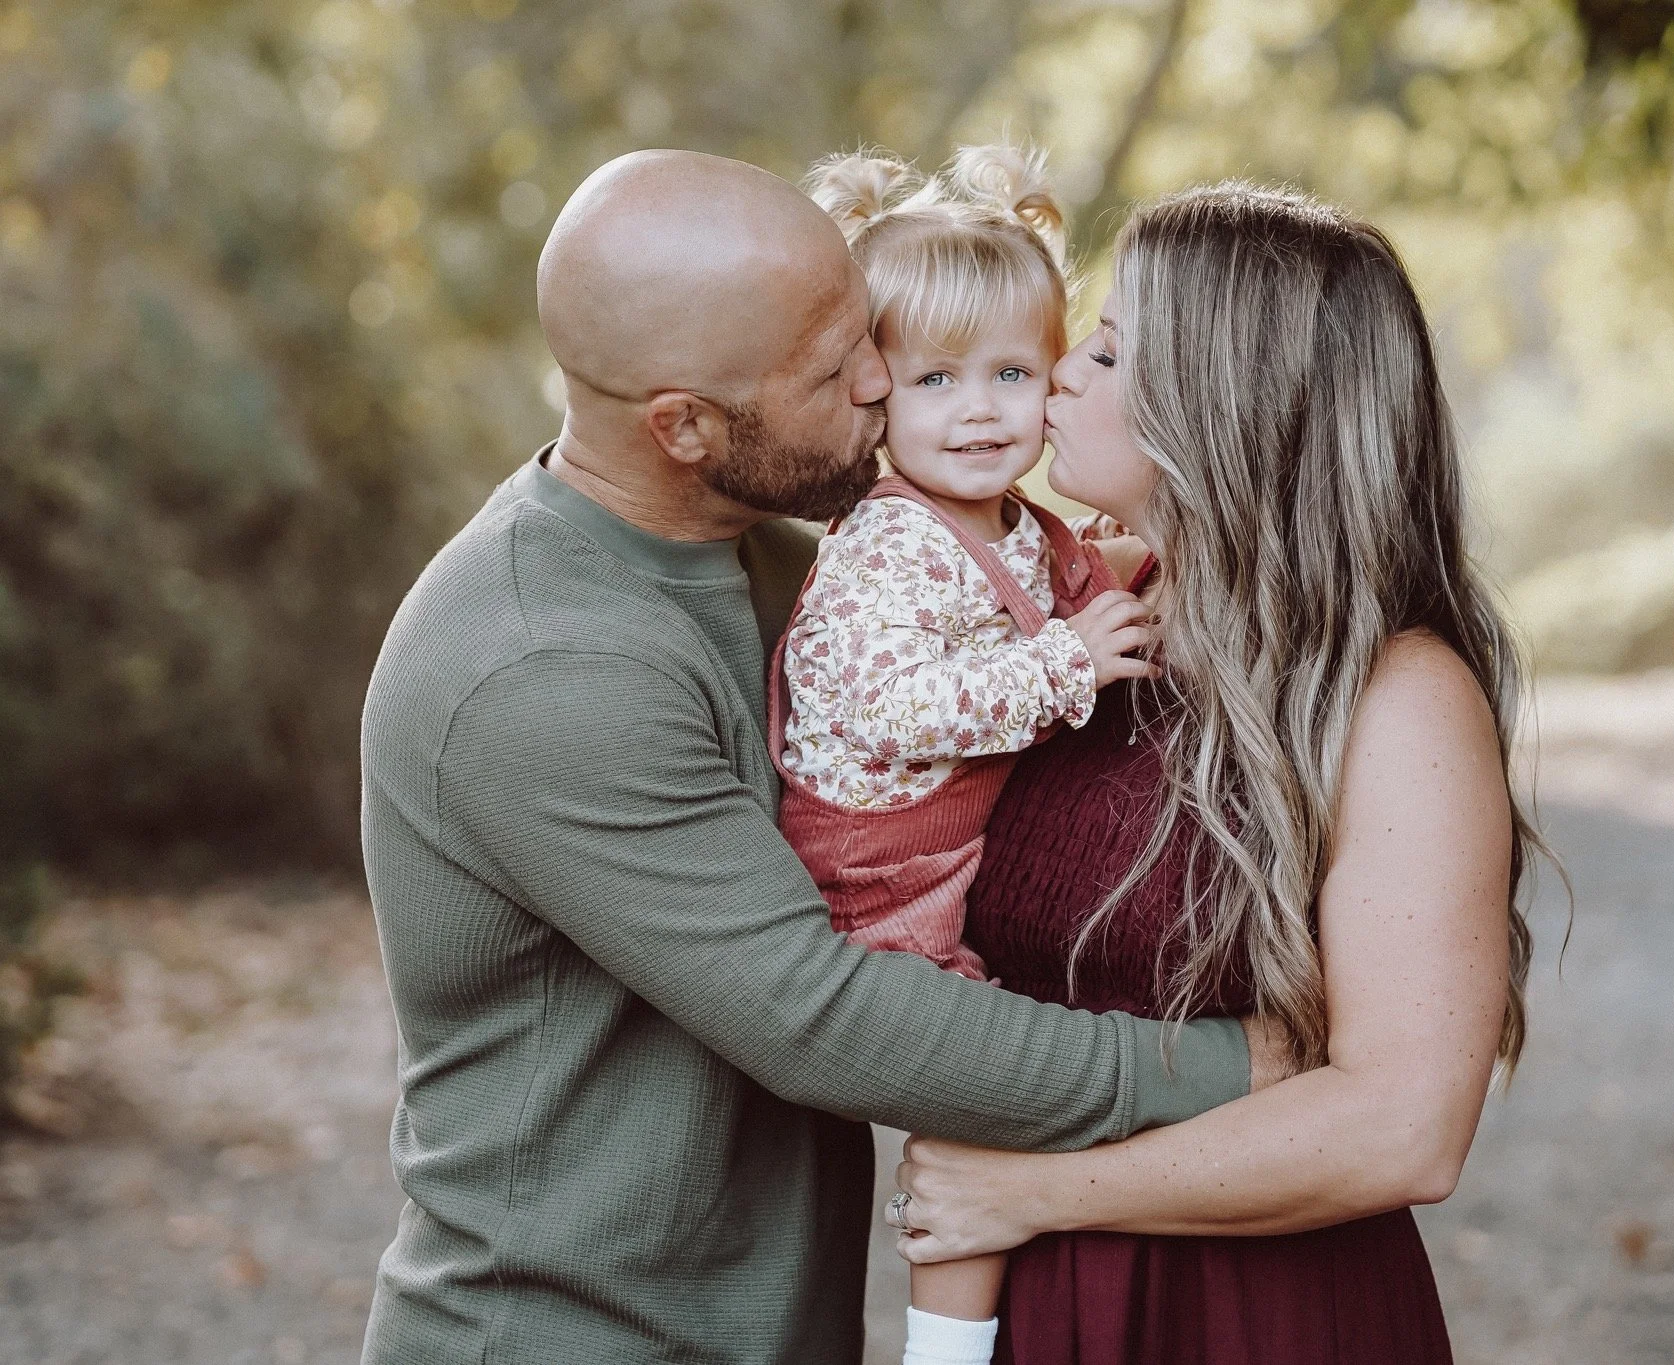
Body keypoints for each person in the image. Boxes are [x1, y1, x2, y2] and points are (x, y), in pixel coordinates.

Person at [356, 151, 1283, 1365]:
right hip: (570, 1337)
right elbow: (822, 1016)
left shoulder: (804, 567)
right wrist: (1244, 1063)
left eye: (870, 334)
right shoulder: (541, 662)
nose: (878, 381)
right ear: (683, 426)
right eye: (836, 369)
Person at [890, 183, 1543, 1363]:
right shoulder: (1071, 620)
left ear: (1221, 401)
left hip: (1250, 1314)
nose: (1061, 375)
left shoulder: (1396, 702)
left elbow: (1404, 1128)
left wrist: (1037, 1196)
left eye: (1107, 348)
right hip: (1036, 1304)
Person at [773, 144, 1155, 1365]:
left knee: (1012, 1105)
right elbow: (897, 708)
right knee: (997, 1109)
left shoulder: (1010, 526)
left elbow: (1078, 588)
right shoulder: (887, 546)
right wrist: (1065, 666)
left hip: (946, 863)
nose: (981, 409)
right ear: (877, 392)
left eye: (1011, 372)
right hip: (877, 885)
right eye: (937, 379)